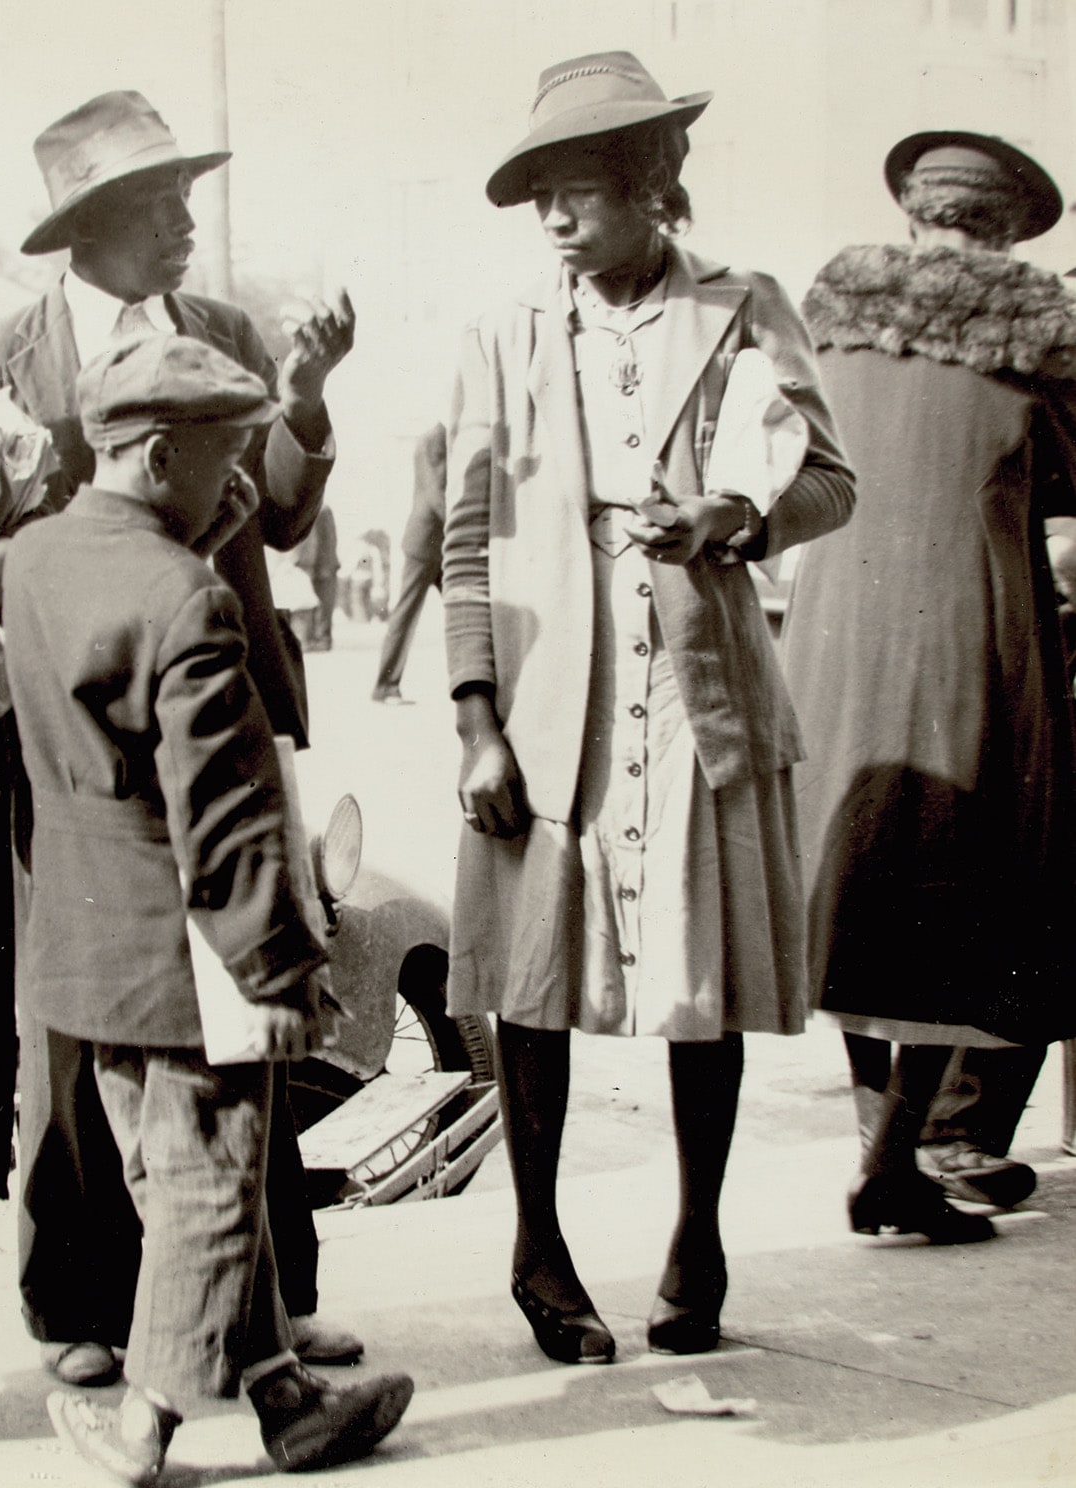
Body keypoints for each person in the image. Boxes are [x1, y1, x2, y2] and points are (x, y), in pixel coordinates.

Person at [443, 52, 854, 1364]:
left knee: (702, 971)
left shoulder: (741, 311)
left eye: (578, 193)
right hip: (555, 686)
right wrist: (473, 716)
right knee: (532, 972)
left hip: (693, 686)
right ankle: (538, 1248)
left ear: (647, 189)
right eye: (539, 199)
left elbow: (827, 480)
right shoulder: (507, 336)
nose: (556, 221)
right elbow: (461, 539)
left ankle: (696, 1234)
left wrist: (736, 518)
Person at [0, 89, 360, 1386]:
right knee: (91, 1026)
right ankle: (81, 1308)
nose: (185, 222)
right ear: (84, 227)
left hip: (222, 705)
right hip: (85, 745)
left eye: (188, 196)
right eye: (158, 202)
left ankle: (270, 1305)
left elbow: (287, 519)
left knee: (244, 1020)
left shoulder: (227, 335)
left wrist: (302, 405)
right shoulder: (7, 361)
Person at [5, 333, 414, 1488]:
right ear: (158, 452)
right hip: (190, 954)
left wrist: (203, 514)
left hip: (88, 947)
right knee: (208, 1188)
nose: (239, 476)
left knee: (168, 1168)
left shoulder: (35, 555)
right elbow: (226, 816)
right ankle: (144, 1431)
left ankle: (283, 1396)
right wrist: (278, 969)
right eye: (223, 452)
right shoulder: (184, 598)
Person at [786, 131, 1076, 1238]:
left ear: (911, 214)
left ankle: (885, 1148)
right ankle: (900, 1151)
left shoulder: (829, 323)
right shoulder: (1038, 340)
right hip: (969, 621)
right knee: (969, 871)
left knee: (850, 866)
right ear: (1003, 228)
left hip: (836, 621)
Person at [372, 424, 445, 702]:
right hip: (426, 542)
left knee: (467, 610)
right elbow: (435, 492)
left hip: (441, 542)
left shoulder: (446, 434)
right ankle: (385, 686)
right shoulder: (435, 436)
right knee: (405, 614)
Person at [291, 503, 339, 650]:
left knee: (314, 602)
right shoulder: (322, 508)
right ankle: (318, 638)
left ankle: (316, 639)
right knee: (320, 602)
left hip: (314, 563)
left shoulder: (318, 508)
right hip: (321, 563)